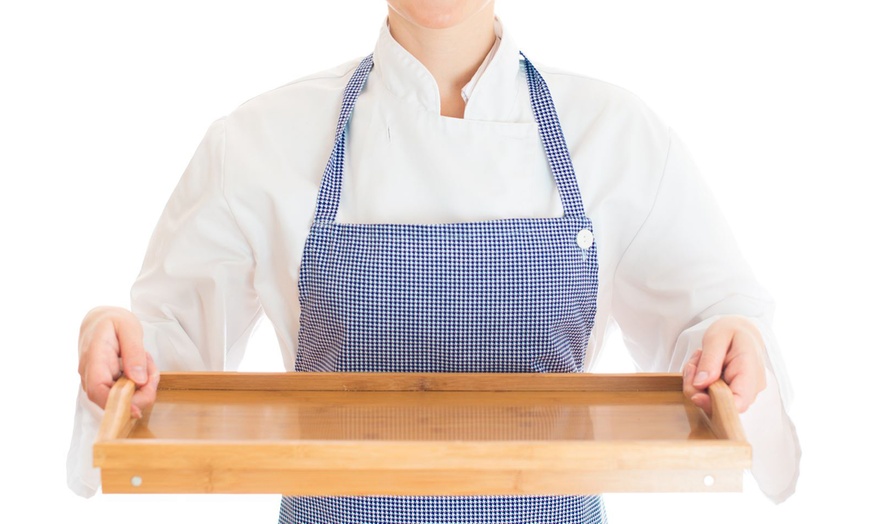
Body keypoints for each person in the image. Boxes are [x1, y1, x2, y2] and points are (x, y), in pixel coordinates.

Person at [69, 0, 801, 522]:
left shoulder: (617, 134)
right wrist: (119, 341)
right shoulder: (259, 142)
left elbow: (718, 327)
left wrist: (735, 344)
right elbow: (167, 365)